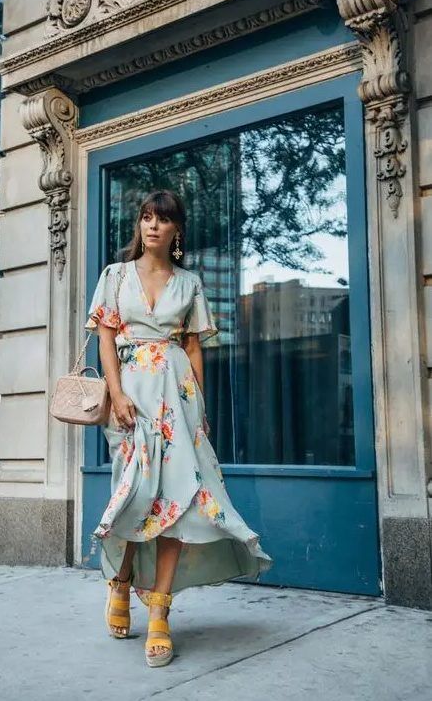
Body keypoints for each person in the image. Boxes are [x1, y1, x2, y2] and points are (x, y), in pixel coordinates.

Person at [84, 189, 273, 668]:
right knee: (134, 496)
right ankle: (121, 582)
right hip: (132, 399)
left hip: (178, 399)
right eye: (146, 217)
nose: (151, 226)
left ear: (176, 231)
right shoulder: (115, 275)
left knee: (178, 502)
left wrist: (199, 409)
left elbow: (192, 350)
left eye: (161, 220)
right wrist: (118, 394)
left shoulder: (189, 284)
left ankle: (162, 611)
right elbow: (106, 342)